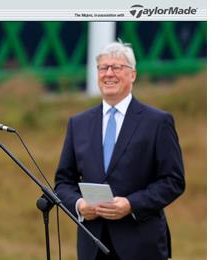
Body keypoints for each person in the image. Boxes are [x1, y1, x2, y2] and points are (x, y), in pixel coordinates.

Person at [54, 41, 185, 260]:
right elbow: (63, 182)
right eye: (103, 68)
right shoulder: (78, 123)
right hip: (92, 245)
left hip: (142, 245)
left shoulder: (157, 122)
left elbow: (173, 180)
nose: (109, 74)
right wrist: (79, 205)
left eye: (116, 67)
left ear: (132, 75)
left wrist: (131, 204)